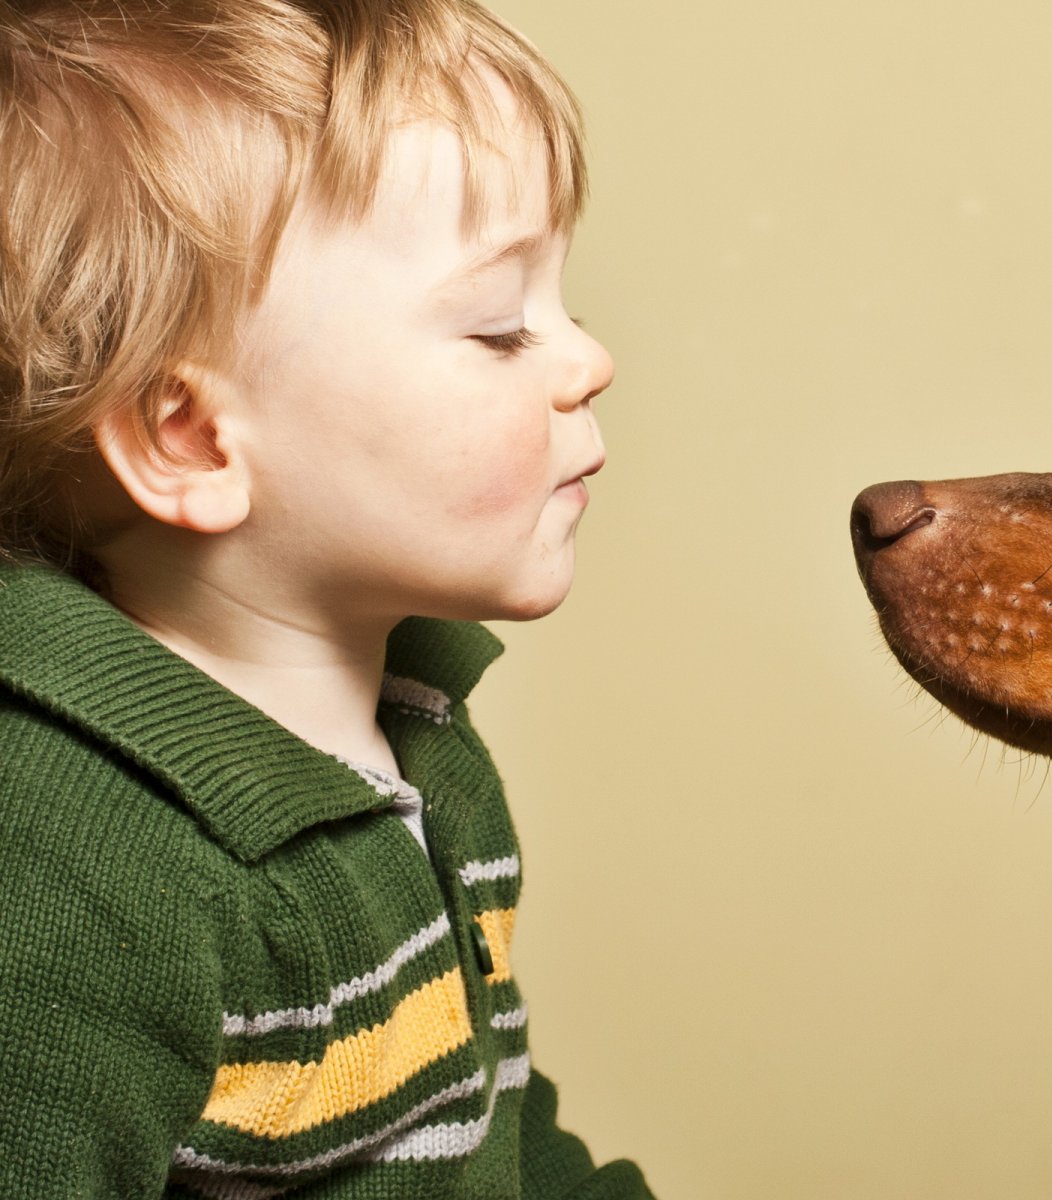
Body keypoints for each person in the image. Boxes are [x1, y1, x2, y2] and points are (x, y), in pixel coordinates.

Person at [0, 1, 654, 1194]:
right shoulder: (66, 866)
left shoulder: (415, 726)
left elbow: (496, 1131)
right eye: (499, 329)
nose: (589, 360)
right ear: (192, 439)